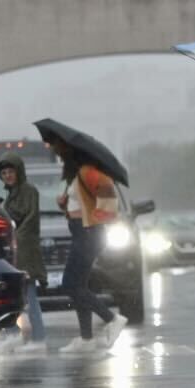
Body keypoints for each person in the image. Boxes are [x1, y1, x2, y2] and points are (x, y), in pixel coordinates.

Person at [51, 139, 127, 353]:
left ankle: (112, 319)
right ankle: (86, 338)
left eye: (62, 154)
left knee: (70, 284)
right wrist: (65, 206)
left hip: (89, 234)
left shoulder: (90, 172)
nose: (60, 157)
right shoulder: (75, 175)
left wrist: (86, 217)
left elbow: (110, 205)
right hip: (81, 232)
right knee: (79, 286)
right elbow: (81, 206)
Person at [0, 152, 47, 352]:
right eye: (4, 172)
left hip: (25, 252)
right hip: (13, 252)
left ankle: (38, 339)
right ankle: (14, 334)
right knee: (12, 295)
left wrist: (14, 236)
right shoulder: (10, 196)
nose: (8, 175)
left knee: (29, 295)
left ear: (19, 172)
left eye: (11, 171)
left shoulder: (29, 191)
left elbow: (30, 220)